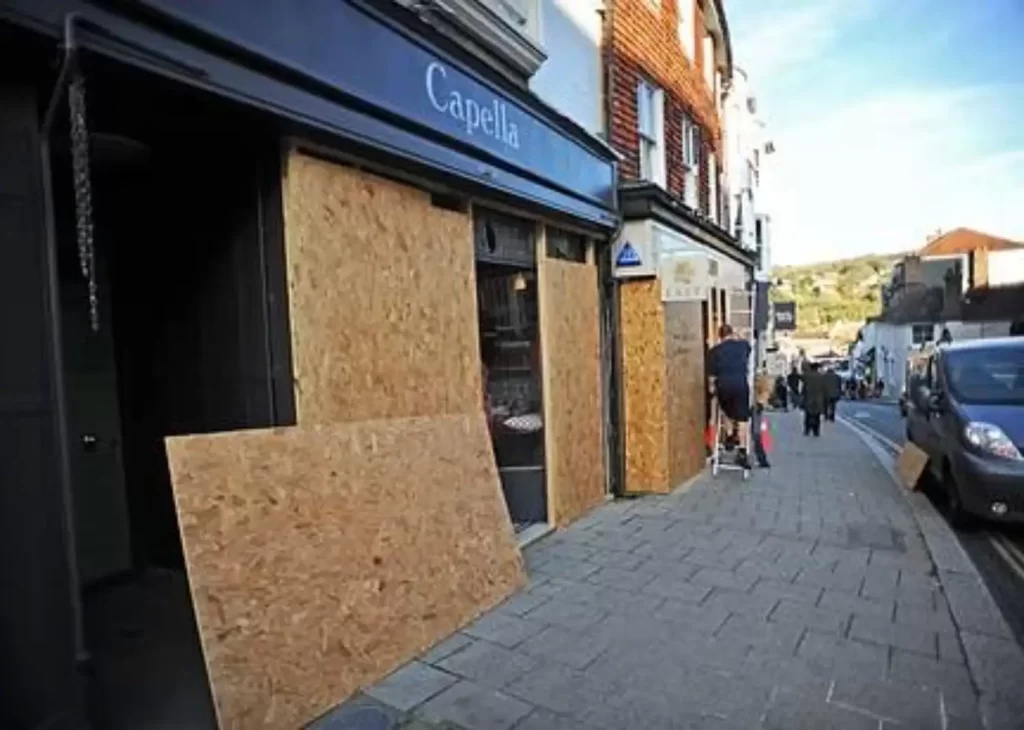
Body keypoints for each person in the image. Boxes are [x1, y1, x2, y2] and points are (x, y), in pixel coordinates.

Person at [708, 324, 752, 470]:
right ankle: (742, 452)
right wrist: (738, 335)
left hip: (724, 385)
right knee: (743, 419)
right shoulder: (743, 346)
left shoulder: (714, 351)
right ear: (731, 334)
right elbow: (747, 345)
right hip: (740, 384)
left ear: (720, 336)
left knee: (725, 409)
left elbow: (712, 377)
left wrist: (712, 389)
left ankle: (729, 434)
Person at [802, 362, 827, 437]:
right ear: (817, 368)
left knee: (808, 415)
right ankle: (816, 431)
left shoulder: (807, 376)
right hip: (818, 398)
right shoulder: (821, 376)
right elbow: (824, 388)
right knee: (817, 415)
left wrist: (803, 395)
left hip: (809, 397)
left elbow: (804, 387)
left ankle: (807, 430)